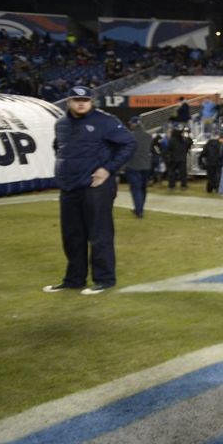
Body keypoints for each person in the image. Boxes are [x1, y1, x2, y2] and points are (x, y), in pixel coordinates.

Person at [44, 86, 135, 295]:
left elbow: (129, 144)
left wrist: (107, 169)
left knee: (99, 234)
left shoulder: (105, 121)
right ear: (68, 102)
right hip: (69, 187)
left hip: (96, 187)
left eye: (85, 99)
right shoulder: (61, 124)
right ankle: (74, 279)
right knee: (72, 236)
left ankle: (104, 279)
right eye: (76, 99)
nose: (81, 103)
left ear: (91, 101)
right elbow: (60, 148)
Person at [123, 115, 153, 218]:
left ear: (134, 124)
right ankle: (140, 208)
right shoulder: (148, 136)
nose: (130, 125)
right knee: (143, 188)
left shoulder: (129, 136)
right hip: (146, 165)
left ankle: (139, 211)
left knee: (136, 189)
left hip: (133, 165)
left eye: (131, 123)